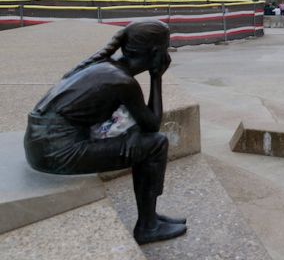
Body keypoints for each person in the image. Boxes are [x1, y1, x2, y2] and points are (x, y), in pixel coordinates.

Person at [23, 20, 187, 245]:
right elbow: (152, 125)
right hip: (56, 150)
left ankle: (150, 216)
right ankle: (147, 226)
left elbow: (122, 119)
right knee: (156, 145)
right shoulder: (122, 82)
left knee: (143, 140)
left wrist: (133, 132)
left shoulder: (107, 67)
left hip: (40, 141)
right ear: (156, 53)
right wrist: (156, 78)